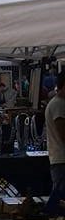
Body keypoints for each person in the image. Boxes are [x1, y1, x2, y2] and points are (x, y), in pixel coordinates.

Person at [45, 72, 65, 209]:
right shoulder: (59, 105)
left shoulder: (58, 103)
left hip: (59, 158)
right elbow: (63, 133)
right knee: (60, 198)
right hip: (61, 158)